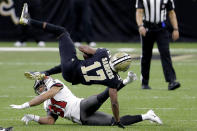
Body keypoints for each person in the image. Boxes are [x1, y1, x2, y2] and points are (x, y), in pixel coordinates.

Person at [19, 3, 133, 127]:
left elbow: (82, 48)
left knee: (62, 32)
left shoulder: (104, 53)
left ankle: (28, 21)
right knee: (70, 64)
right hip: (73, 78)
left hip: (72, 67)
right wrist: (117, 120)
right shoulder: (113, 80)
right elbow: (114, 103)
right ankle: (45, 73)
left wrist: (90, 57)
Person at [10, 76, 162, 127]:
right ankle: (147, 115)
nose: (40, 90)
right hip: (83, 119)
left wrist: (25, 105)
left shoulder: (54, 85)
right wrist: (34, 118)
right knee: (115, 122)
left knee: (103, 96)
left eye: (40, 86)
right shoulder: (46, 103)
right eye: (39, 88)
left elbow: (46, 94)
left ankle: (126, 81)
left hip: (81, 105)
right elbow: (50, 121)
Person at [136, 0, 181, 90]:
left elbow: (171, 13)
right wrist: (140, 26)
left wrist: (175, 29)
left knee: (165, 53)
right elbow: (139, 12)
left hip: (161, 28)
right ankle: (144, 82)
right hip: (147, 28)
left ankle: (171, 81)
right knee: (146, 55)